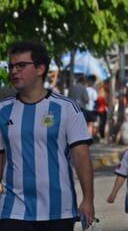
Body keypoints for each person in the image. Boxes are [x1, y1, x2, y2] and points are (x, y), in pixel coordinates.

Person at [0, 41, 95, 230]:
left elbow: (81, 156)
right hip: (13, 210)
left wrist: (88, 200)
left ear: (40, 69)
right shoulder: (3, 110)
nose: (14, 71)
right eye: (11, 66)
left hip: (59, 210)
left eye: (21, 65)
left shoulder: (67, 108)